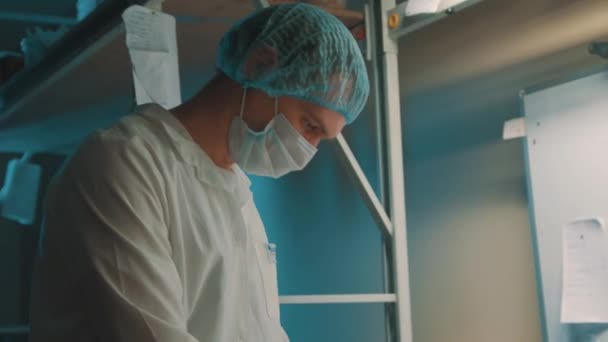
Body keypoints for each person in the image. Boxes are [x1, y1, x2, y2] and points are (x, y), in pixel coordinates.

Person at [29, 3, 369, 341]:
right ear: (259, 64)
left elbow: (258, 330)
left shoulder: (237, 195)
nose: (308, 148)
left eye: (321, 138)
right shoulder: (122, 165)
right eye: (309, 125)